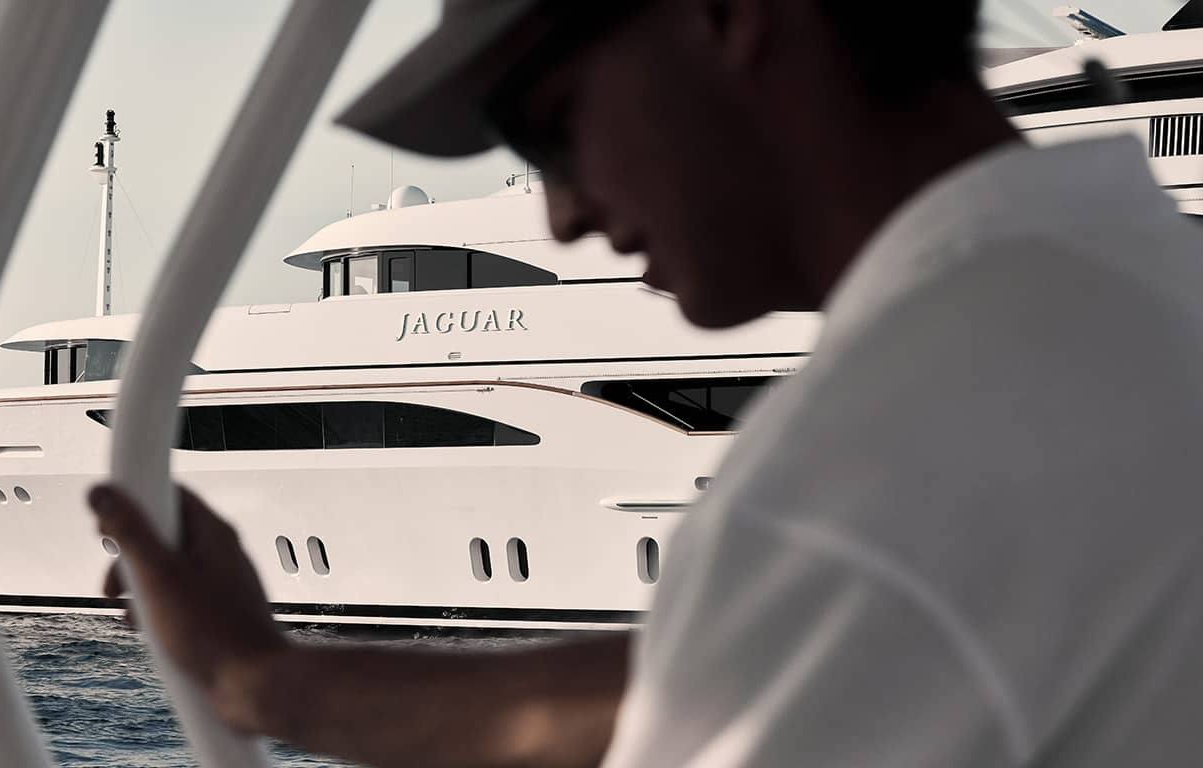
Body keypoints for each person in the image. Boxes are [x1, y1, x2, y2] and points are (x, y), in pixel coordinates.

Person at [89, 1, 1203, 765]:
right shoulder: (1131, 283)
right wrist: (262, 680)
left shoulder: (896, 441)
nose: (561, 216)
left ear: (730, 17)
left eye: (550, 125)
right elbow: (745, 667)